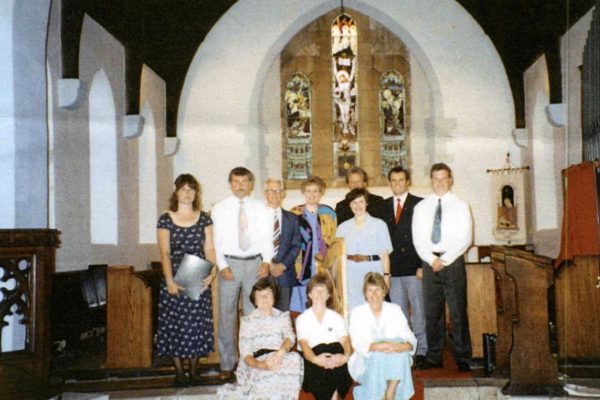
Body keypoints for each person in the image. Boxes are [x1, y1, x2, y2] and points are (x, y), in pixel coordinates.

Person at [212, 167, 274, 378]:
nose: (240, 186)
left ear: (251, 183)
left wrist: (266, 261)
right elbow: (216, 240)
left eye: (244, 181)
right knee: (227, 315)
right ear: (230, 184)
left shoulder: (261, 208)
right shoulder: (220, 208)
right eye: (236, 182)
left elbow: (267, 238)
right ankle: (227, 365)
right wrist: (222, 265)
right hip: (230, 264)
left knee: (253, 316)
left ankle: (252, 362)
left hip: (254, 264)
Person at [156, 173, 216, 387]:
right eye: (183, 189)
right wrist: (170, 281)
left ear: (196, 193)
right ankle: (179, 373)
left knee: (196, 325)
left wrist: (213, 271)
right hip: (175, 276)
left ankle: (194, 372)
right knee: (176, 325)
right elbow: (164, 253)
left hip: (198, 273)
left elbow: (209, 247)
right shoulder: (166, 218)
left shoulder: (204, 217)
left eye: (192, 189)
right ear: (176, 192)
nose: (188, 193)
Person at [412, 163, 473, 372]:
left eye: (443, 178)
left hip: (453, 262)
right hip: (430, 263)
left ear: (450, 180)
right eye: (435, 178)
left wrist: (444, 259)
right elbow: (418, 238)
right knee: (432, 312)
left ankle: (462, 356)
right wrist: (431, 259)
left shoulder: (461, 205)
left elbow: (466, 237)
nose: (439, 182)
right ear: (431, 180)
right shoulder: (422, 207)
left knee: (457, 311)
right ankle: (434, 356)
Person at [372, 166, 428, 369]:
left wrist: (423, 265)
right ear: (389, 183)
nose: (397, 184)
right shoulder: (381, 206)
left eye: (401, 180)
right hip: (393, 270)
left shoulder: (420, 204)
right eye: (393, 180)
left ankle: (422, 350)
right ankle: (406, 350)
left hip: (415, 268)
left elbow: (425, 237)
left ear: (407, 181)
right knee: (400, 313)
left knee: (419, 311)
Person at [217, 279, 303, 399]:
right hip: (256, 360)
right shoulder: (248, 321)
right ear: (255, 300)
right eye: (260, 295)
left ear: (274, 297)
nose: (264, 298)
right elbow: (245, 353)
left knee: (295, 359)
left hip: (278, 356)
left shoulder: (282, 316)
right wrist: (260, 365)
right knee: (268, 376)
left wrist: (281, 352)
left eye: (268, 294)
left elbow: (290, 337)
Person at [348, 272, 417, 400]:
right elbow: (357, 342)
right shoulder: (357, 313)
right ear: (365, 293)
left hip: (394, 358)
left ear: (384, 291)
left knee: (400, 352)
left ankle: (390, 392)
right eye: (370, 290)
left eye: (378, 289)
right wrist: (377, 346)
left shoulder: (394, 309)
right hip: (367, 362)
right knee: (378, 356)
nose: (374, 294)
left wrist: (403, 346)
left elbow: (409, 337)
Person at [296, 274, 353, 400]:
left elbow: (345, 341)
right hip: (314, 358)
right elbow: (304, 345)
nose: (320, 294)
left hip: (337, 355)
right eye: (316, 290)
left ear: (329, 295)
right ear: (309, 294)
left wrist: (345, 357)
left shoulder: (337, 317)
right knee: (324, 374)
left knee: (336, 352)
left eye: (324, 291)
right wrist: (317, 360)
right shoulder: (302, 318)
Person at [336, 188, 392, 312]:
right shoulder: (342, 228)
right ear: (349, 205)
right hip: (350, 274)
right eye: (354, 203)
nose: (358, 206)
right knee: (353, 309)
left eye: (361, 202)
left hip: (373, 271)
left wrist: (386, 276)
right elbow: (338, 257)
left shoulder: (379, 224)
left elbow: (384, 254)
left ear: (366, 203)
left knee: (374, 307)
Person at [289, 176, 337, 313]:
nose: (312, 194)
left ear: (321, 192)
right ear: (303, 192)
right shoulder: (294, 213)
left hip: (323, 263)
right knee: (302, 303)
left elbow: (333, 240)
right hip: (301, 264)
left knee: (323, 298)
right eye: (308, 191)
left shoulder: (329, 213)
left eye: (316, 191)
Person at [263, 179, 302, 311]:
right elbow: (255, 244)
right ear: (265, 193)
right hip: (263, 272)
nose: (275, 194)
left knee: (283, 314)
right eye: (271, 190)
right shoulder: (257, 217)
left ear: (283, 193)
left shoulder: (292, 218)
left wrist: (282, 265)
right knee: (264, 313)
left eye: (278, 190)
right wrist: (269, 264)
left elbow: (296, 245)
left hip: (285, 273)